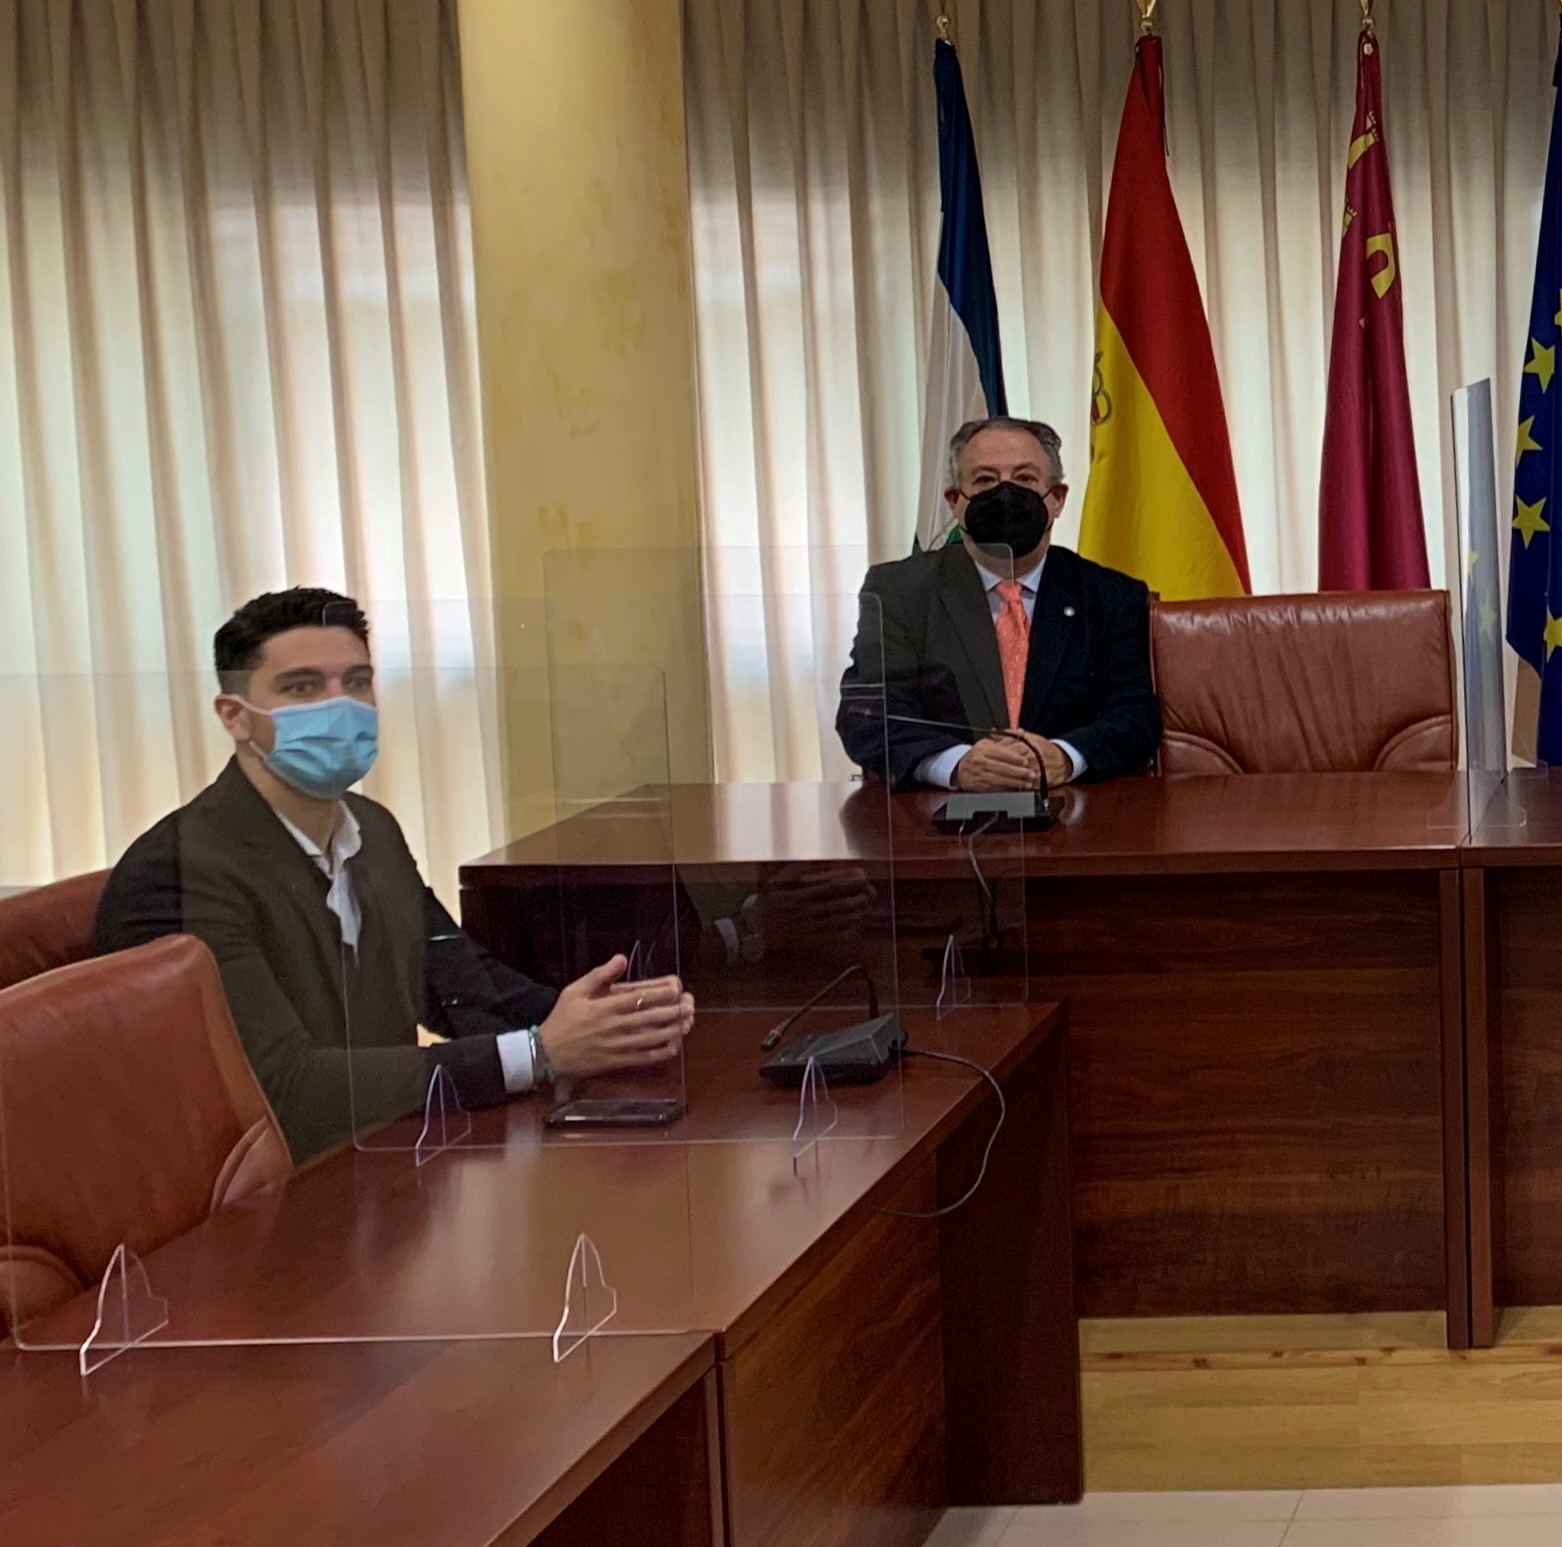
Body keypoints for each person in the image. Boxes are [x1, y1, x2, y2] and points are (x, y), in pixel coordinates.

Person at [92, 587, 693, 1161]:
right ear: (236, 716)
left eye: (356, 683)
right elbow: (282, 1088)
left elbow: (457, 981)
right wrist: (538, 1053)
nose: (340, 706)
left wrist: (610, 1021)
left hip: (384, 1165)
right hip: (270, 1210)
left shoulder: (370, 829)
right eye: (302, 688)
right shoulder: (178, 871)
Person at [835, 415, 1160, 791]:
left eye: (1024, 479)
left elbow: (1136, 714)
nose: (1005, 494)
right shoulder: (899, 591)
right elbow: (866, 713)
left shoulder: (1110, 596)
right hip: (939, 822)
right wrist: (955, 764)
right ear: (956, 502)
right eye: (985, 480)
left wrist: (1063, 757)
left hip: (1072, 813)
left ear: (1057, 499)